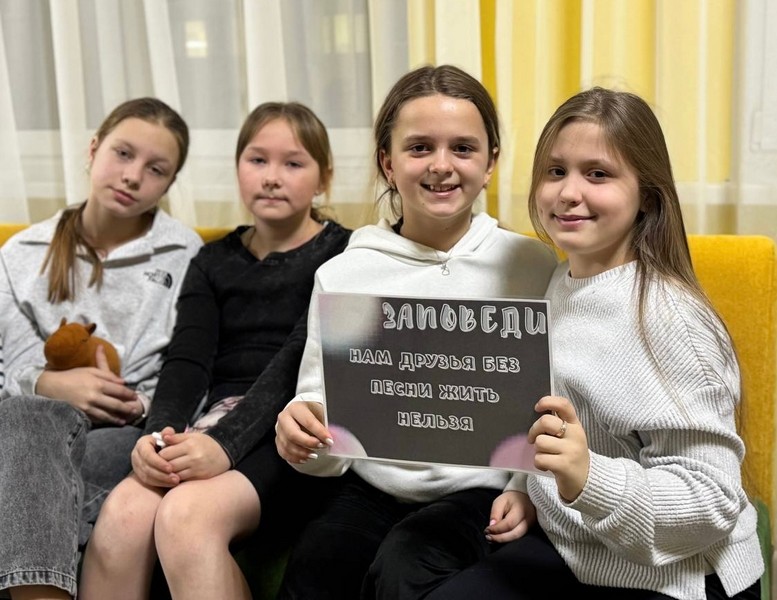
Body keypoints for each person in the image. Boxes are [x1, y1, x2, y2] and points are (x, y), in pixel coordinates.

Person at [425, 87, 764, 600]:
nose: (568, 192)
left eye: (598, 174)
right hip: (583, 550)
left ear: (647, 195)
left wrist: (587, 477)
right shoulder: (560, 282)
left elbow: (713, 500)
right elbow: (555, 425)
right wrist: (527, 488)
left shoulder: (674, 321)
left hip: (683, 579)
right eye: (556, 171)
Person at [273, 64, 558, 600]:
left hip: (482, 491)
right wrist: (303, 434)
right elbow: (322, 418)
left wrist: (526, 488)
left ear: (491, 163)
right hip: (372, 487)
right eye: (420, 147)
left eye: (463, 149)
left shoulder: (532, 266)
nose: (441, 165)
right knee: (317, 565)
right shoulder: (344, 274)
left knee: (408, 562)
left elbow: (555, 403)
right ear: (388, 162)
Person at [78, 101, 351, 600]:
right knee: (123, 514)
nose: (272, 177)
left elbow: (297, 360)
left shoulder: (346, 254)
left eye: (293, 163)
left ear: (324, 178)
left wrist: (223, 445)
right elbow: (187, 363)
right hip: (212, 422)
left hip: (293, 432)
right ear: (237, 167)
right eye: (257, 160)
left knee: (185, 514)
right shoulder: (212, 260)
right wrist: (158, 437)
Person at [0, 97, 202, 600]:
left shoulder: (188, 256)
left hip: (124, 433)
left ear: (169, 184)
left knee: (26, 471)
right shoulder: (20, 255)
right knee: (25, 421)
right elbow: (11, 363)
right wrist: (48, 383)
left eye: (156, 169)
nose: (133, 176)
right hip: (24, 427)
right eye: (123, 153)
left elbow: (192, 368)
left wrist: (139, 404)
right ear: (93, 150)